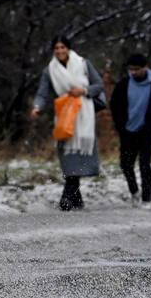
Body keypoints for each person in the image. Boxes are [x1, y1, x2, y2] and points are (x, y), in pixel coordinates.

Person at [31, 36, 104, 211]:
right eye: (56, 48)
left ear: (68, 48)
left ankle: (67, 198)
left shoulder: (83, 64)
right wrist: (37, 107)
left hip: (83, 113)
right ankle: (75, 198)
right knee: (67, 155)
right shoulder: (50, 70)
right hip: (64, 113)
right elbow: (43, 92)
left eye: (62, 47)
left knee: (78, 155)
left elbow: (99, 84)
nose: (59, 51)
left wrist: (84, 90)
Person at [109, 53, 151, 208]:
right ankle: (134, 192)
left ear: (145, 68)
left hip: (147, 132)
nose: (133, 72)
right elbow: (115, 105)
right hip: (127, 131)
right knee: (126, 164)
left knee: (144, 163)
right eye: (131, 69)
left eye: (137, 69)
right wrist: (119, 125)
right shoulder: (123, 85)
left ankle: (147, 198)